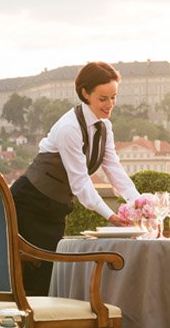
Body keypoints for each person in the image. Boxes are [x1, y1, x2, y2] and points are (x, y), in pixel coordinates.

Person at [11, 62, 139, 296]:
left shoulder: (105, 127)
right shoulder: (69, 128)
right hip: (29, 205)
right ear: (85, 93)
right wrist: (110, 215)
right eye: (103, 99)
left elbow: (114, 169)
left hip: (55, 209)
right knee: (33, 285)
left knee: (48, 283)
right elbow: (80, 183)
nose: (110, 105)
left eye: (114, 97)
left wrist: (140, 204)